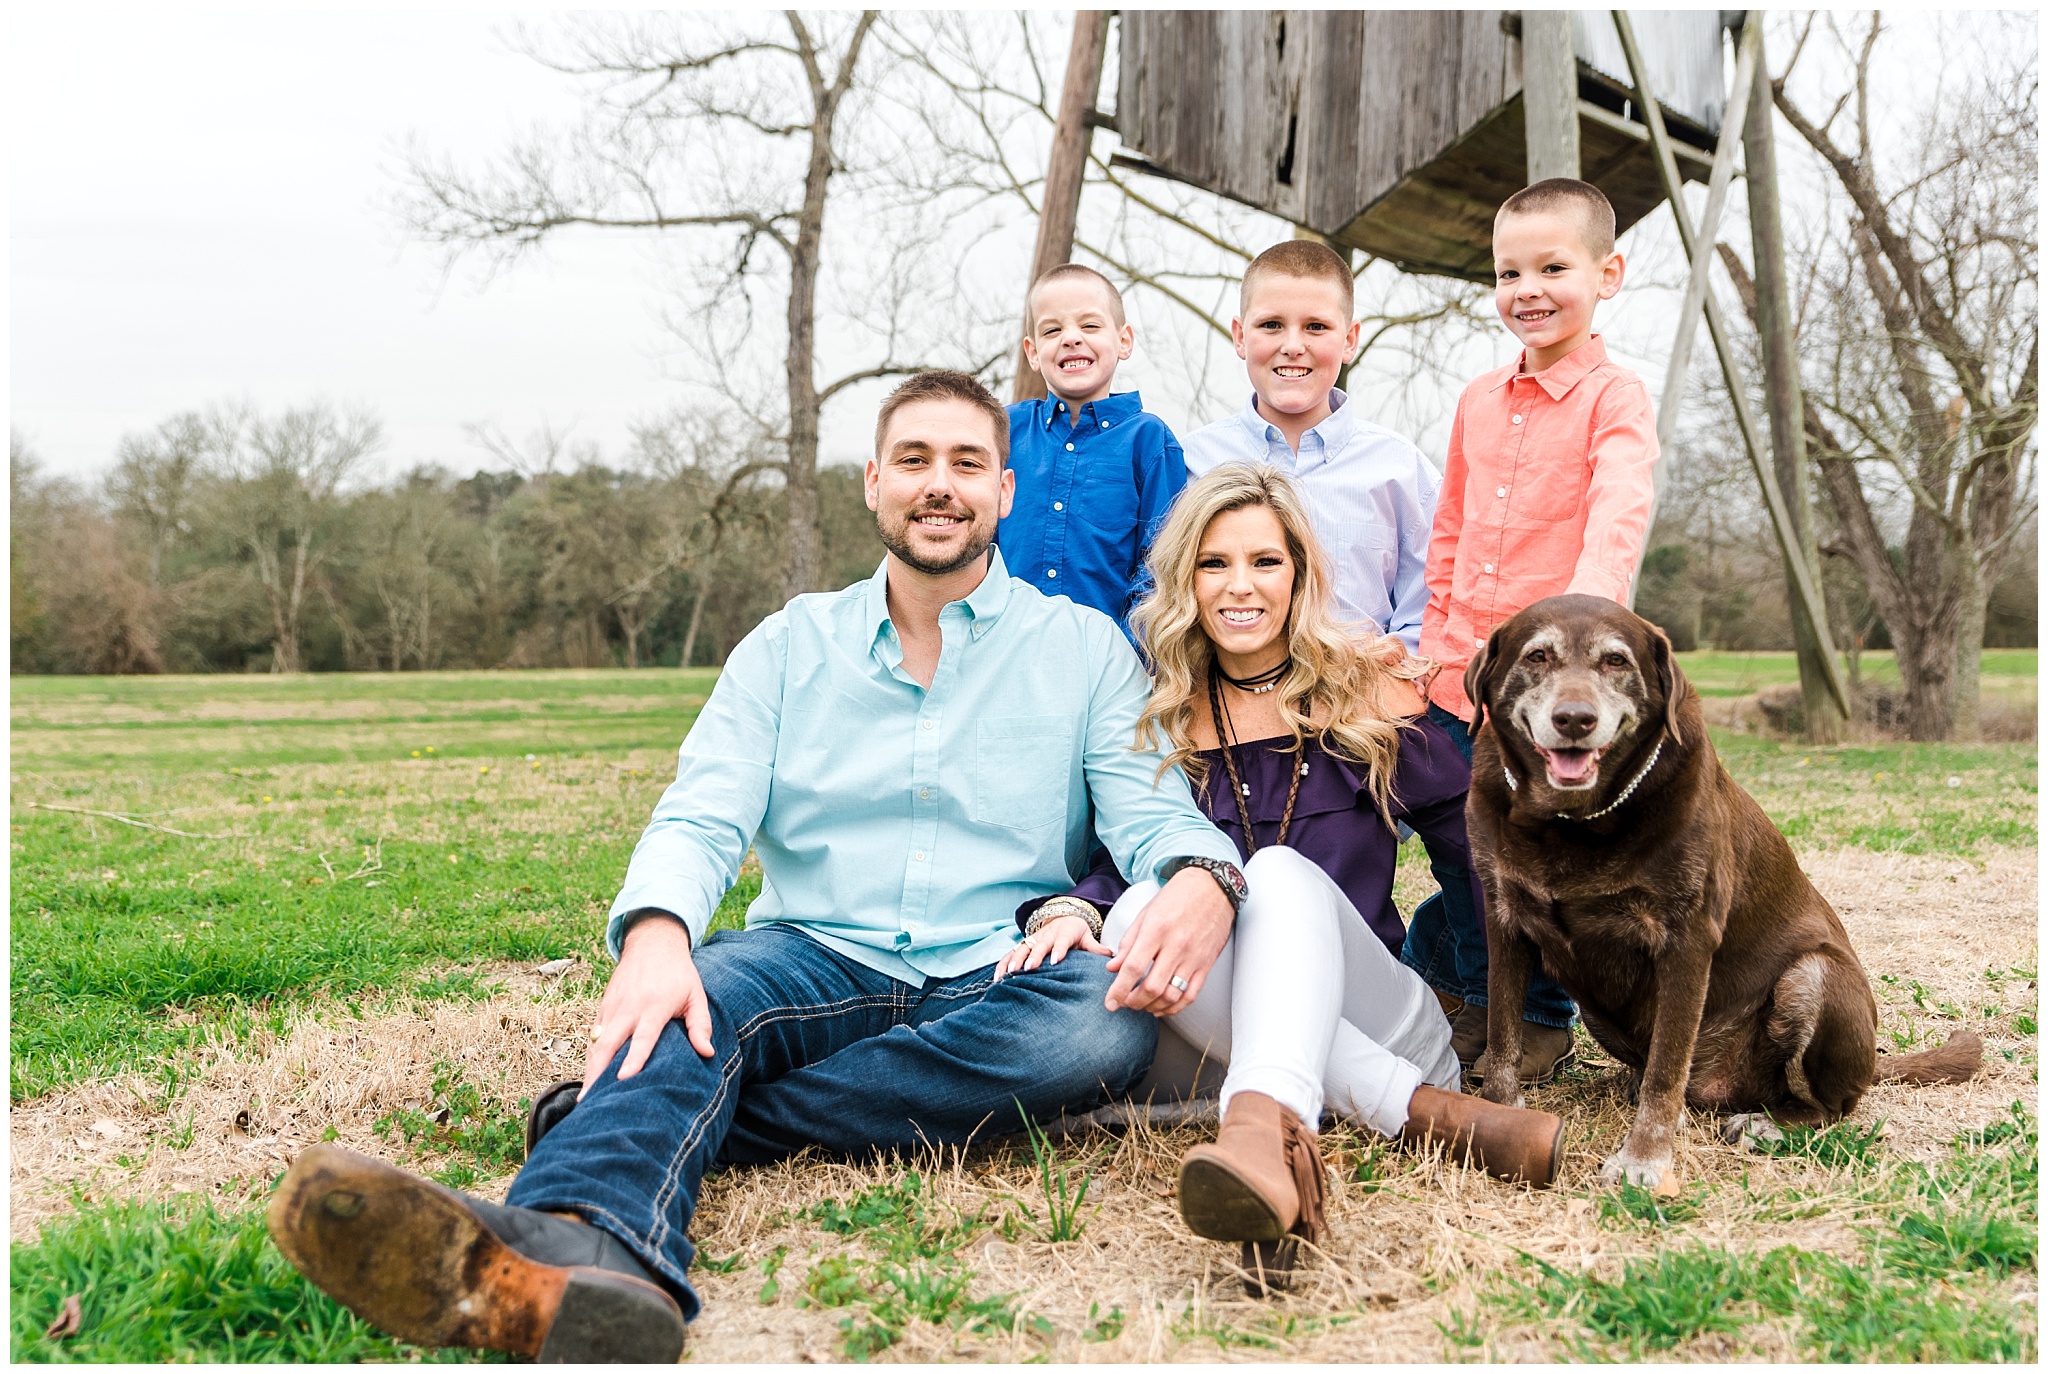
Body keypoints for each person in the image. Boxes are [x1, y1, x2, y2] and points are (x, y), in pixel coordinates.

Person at [266, 371, 1249, 1363]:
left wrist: (1204, 878)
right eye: (913, 461)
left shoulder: (1078, 649)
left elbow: (1150, 813)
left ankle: (679, 1114)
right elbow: (703, 811)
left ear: (1002, 488)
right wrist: (656, 938)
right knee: (691, 1001)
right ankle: (580, 1243)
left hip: (992, 971)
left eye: (964, 463)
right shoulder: (789, 646)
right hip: (809, 955)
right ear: (872, 483)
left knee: (1097, 1027)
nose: (937, 484)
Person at [996, 464, 1565, 1285]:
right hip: (1230, 1033)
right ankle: (1331, 1126)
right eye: (1214, 563)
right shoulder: (1156, 716)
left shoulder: (1374, 695)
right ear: (1184, 579)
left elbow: (1485, 862)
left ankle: (1323, 1115)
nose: (1240, 586)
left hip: (1373, 1021)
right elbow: (1116, 867)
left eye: (1265, 561)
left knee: (1276, 875)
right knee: (1145, 906)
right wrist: (1072, 913)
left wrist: (1514, 1007)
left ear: (1299, 573)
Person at [1405, 178, 1661, 1086]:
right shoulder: (1479, 399)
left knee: (1533, 856)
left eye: (1554, 266)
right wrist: (1436, 638)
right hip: (1461, 676)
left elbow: (1618, 510)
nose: (1529, 288)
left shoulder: (1614, 398)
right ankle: (1450, 980)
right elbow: (1451, 527)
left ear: (1608, 273)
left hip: (1550, 690)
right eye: (1510, 271)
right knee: (1465, 853)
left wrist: (1582, 650)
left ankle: (1542, 1019)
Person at [1182, 239, 1438, 653]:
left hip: (1362, 705)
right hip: (1224, 704)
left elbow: (1426, 614)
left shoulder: (1403, 472)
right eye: (1271, 325)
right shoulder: (1190, 463)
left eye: (1316, 327)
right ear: (1240, 335)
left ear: (1350, 339)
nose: (1293, 345)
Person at [997, 263, 1188, 645]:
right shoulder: (1004, 431)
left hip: (1109, 663)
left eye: (1089, 326)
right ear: (1033, 353)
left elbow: (1164, 568)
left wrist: (1127, 655)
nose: (1071, 339)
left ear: (1124, 341)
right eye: (1053, 330)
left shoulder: (1149, 441)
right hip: (1003, 653)